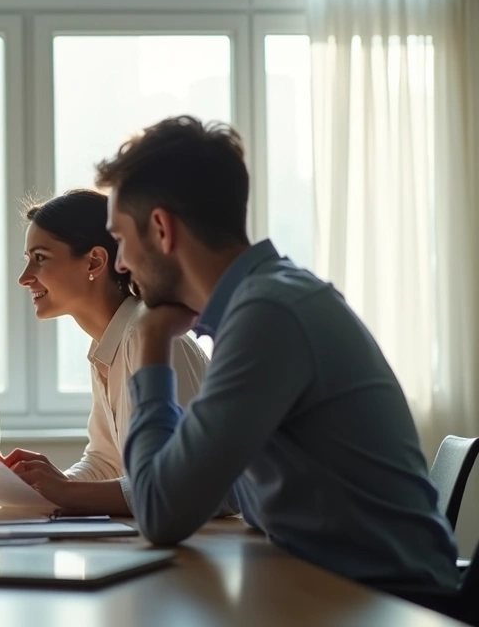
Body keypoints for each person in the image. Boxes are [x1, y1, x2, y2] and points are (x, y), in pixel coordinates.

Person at [100, 115, 458, 588]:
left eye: (120, 239)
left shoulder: (268, 315)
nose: (121, 263)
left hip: (392, 604)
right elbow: (212, 488)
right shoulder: (264, 303)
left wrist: (151, 341)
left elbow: (158, 512)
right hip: (341, 592)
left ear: (162, 229)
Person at [0, 189, 209, 515]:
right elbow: (106, 462)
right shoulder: (106, 345)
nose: (24, 278)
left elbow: (183, 483)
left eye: (40, 258)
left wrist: (66, 491)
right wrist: (47, 486)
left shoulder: (155, 339)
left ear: (94, 261)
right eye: (28, 259)